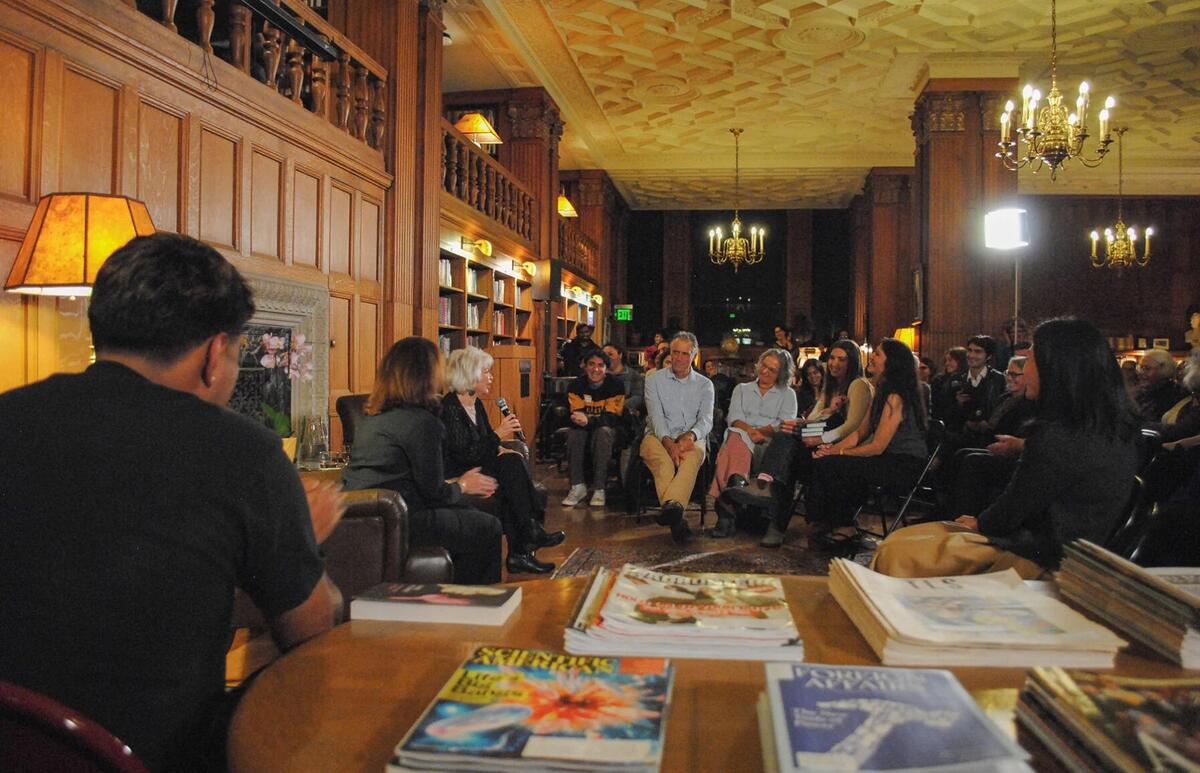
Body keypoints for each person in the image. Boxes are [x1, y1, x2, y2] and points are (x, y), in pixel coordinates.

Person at [0, 232, 343, 770]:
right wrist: (301, 537)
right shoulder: (245, 452)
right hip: (154, 756)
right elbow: (312, 632)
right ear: (214, 355)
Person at [873, 317, 1141, 579]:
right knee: (909, 539)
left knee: (896, 551)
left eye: (1032, 361)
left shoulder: (1058, 435)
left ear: (1056, 369)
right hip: (1069, 553)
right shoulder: (1113, 428)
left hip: (1039, 560)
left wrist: (978, 523)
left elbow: (1011, 512)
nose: (1024, 371)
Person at [343, 338, 504, 584]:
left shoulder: (372, 418)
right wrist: (463, 485)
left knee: (475, 513)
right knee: (489, 527)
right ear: (426, 374)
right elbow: (433, 493)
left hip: (364, 515)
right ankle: (473, 606)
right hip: (404, 517)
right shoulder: (423, 423)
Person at [725, 339, 873, 548]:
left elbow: (853, 427)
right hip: (822, 440)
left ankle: (772, 507)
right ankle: (772, 507)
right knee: (786, 437)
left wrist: (821, 439)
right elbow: (812, 418)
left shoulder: (857, 385)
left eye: (842, 359)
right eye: (832, 358)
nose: (834, 364)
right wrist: (827, 411)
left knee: (786, 446)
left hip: (845, 447)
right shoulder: (831, 386)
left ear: (853, 362)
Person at [441, 347, 563, 575]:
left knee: (512, 463)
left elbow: (485, 440)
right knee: (511, 468)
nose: (491, 377)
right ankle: (527, 537)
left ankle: (522, 549)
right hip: (462, 471)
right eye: (486, 372)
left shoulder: (475, 403)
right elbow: (465, 454)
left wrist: (499, 447)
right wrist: (499, 434)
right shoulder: (450, 408)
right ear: (469, 375)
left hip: (480, 463)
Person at [804, 338, 930, 549]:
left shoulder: (896, 397)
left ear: (892, 362)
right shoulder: (881, 391)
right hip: (885, 457)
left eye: (878, 354)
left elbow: (877, 446)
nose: (872, 356)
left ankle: (843, 526)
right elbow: (861, 432)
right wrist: (831, 449)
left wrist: (841, 453)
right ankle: (825, 523)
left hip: (903, 463)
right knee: (823, 461)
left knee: (834, 465)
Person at [707, 348, 797, 538]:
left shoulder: (788, 394)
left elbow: (784, 424)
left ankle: (726, 508)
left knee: (733, 443)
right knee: (735, 437)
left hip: (770, 446)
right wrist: (750, 431)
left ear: (780, 374)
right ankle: (735, 486)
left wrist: (759, 432)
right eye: (764, 365)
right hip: (742, 437)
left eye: (772, 370)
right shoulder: (742, 389)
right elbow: (734, 418)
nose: (765, 371)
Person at [641, 331, 714, 543]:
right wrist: (669, 444)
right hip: (657, 435)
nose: (679, 358)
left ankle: (671, 510)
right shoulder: (653, 380)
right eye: (675, 353)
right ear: (669, 353)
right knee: (664, 462)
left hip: (691, 436)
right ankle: (677, 517)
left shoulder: (705, 385)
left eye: (685, 353)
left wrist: (690, 436)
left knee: (691, 459)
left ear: (694, 355)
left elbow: (706, 420)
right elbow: (655, 417)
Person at [562, 349, 626, 508]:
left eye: (600, 365)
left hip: (610, 430)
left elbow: (612, 417)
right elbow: (576, 416)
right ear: (585, 366)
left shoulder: (616, 385)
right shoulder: (576, 385)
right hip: (583, 429)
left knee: (602, 431)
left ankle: (599, 487)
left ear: (606, 369)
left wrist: (589, 421)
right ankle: (578, 486)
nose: (595, 369)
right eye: (591, 364)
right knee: (575, 433)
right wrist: (588, 421)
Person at [1135, 349, 1185, 422]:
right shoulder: (1143, 392)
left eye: (1147, 368)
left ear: (1164, 370)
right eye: (1140, 367)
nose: (1141, 372)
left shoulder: (1171, 395)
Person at [930, 346, 967, 424]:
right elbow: (936, 405)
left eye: (950, 360)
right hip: (943, 422)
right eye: (946, 360)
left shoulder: (969, 379)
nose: (947, 364)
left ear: (961, 361)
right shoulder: (938, 380)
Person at [604, 342, 644, 414]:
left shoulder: (633, 375)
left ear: (620, 355)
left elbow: (638, 397)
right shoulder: (598, 375)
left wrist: (617, 407)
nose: (606, 358)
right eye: (604, 355)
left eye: (610, 354)